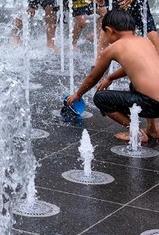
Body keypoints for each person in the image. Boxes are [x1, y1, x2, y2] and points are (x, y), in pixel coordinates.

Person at [66, 9, 159, 142]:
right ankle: (153, 129)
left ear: (109, 31)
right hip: (155, 102)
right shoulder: (145, 41)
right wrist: (111, 78)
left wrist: (78, 94)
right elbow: (132, 67)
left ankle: (137, 132)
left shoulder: (114, 48)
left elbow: (93, 77)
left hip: (151, 104)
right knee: (134, 84)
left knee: (100, 98)